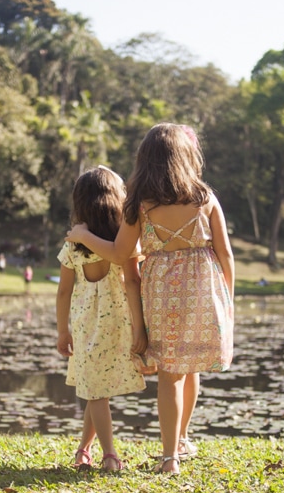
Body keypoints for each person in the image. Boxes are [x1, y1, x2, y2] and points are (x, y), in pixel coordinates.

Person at [67, 124, 234, 474]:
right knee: (189, 368)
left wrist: (83, 234)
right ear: (186, 157)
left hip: (161, 293)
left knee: (170, 375)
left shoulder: (140, 205)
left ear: (146, 161)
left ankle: (170, 456)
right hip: (203, 290)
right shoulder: (205, 199)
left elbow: (117, 252)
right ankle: (183, 438)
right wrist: (227, 301)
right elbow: (226, 254)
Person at [56, 165, 148, 472]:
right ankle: (91, 451)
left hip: (86, 327)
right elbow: (133, 283)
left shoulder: (74, 245)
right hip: (118, 326)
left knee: (95, 390)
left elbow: (63, 293)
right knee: (96, 389)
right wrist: (139, 328)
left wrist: (62, 332)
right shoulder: (123, 244)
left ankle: (106, 454)